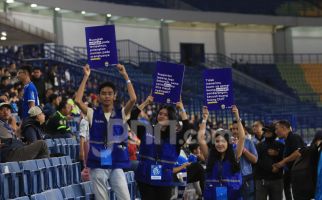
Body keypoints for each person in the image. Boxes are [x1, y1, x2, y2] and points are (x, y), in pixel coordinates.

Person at [75, 64, 137, 200]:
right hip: (98, 164)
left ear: (115, 96)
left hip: (116, 164)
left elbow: (133, 99)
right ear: (98, 96)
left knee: (125, 198)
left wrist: (125, 75)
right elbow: (78, 101)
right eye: (103, 93)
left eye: (110, 93)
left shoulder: (121, 113)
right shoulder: (92, 113)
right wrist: (86, 77)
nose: (107, 96)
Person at [133, 95, 191, 200]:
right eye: (160, 114)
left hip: (164, 181)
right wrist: (146, 102)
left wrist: (181, 108)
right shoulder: (146, 130)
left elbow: (187, 128)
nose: (162, 116)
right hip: (144, 179)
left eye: (166, 115)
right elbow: (132, 117)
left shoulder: (176, 138)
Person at [198, 105, 245, 200]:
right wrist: (204, 119)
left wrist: (237, 116)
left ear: (228, 143)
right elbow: (200, 139)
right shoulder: (209, 156)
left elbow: (242, 137)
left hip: (233, 195)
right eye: (217, 141)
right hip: (213, 195)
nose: (220, 144)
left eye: (223, 141)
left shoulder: (235, 155)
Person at [273, 120, 305, 200]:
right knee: (288, 189)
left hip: (299, 173)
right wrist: (279, 164)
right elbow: (289, 158)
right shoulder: (287, 141)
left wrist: (283, 161)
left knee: (298, 195)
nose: (275, 132)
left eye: (277, 129)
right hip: (290, 172)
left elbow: (298, 153)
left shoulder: (294, 137)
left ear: (283, 128)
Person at [254, 124, 284, 200]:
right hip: (261, 179)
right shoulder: (259, 146)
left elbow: (285, 159)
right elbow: (257, 161)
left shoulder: (281, 146)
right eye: (265, 131)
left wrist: (278, 154)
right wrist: (271, 168)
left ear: (274, 133)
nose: (266, 133)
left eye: (269, 131)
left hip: (277, 179)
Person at [231, 120, 258, 200]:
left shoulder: (249, 142)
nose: (235, 131)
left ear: (243, 130)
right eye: (233, 129)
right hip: (232, 177)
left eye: (237, 128)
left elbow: (255, 160)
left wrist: (243, 150)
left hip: (246, 176)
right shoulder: (226, 143)